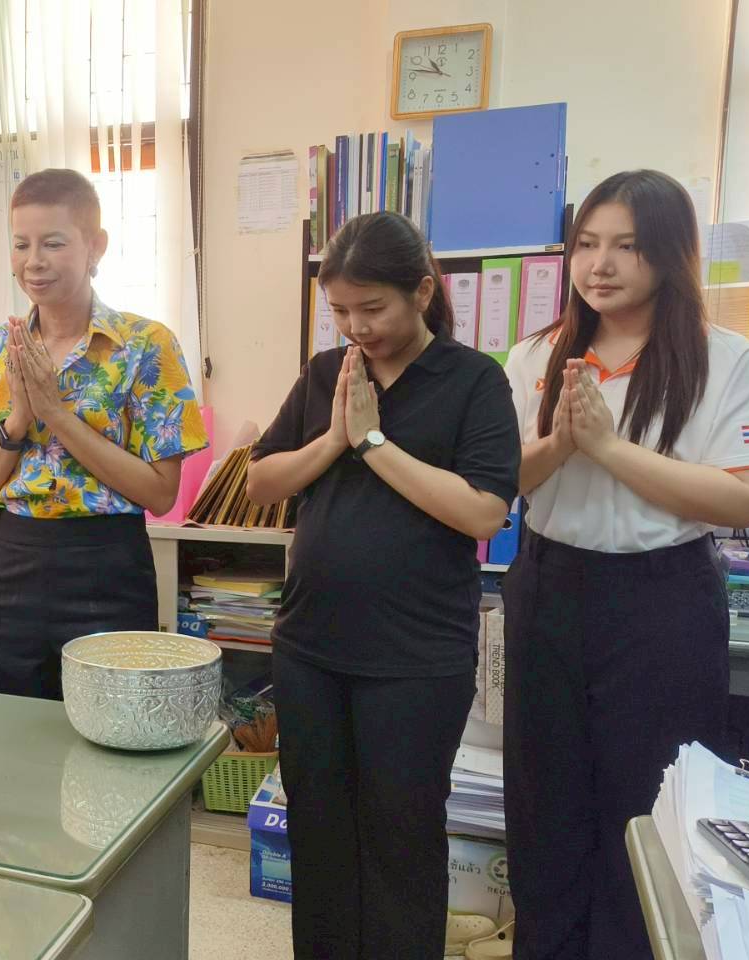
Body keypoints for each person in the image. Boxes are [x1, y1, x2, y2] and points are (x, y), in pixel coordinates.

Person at [501, 170, 749, 960]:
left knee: (646, 811)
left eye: (626, 246)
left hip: (662, 604)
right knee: (545, 811)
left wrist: (609, 450)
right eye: (587, 244)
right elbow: (499, 486)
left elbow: (741, 501)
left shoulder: (723, 359)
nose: (601, 264)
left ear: (668, 254)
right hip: (550, 588)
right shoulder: (534, 358)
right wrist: (561, 444)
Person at [245, 212, 520, 959]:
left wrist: (372, 443)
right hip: (311, 646)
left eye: (374, 308)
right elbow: (263, 478)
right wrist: (334, 436)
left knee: (400, 834)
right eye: (339, 311)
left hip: (415, 656)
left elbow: (483, 508)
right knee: (320, 829)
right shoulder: (324, 375)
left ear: (423, 291)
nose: (356, 326)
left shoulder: (472, 381)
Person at [0, 168, 208, 699]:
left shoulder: (145, 345)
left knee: (111, 733)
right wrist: (18, 422)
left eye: (53, 243)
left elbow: (159, 492)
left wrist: (58, 416)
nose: (33, 262)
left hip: (107, 564)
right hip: (10, 562)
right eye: (20, 245)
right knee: (11, 736)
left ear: (95, 246)